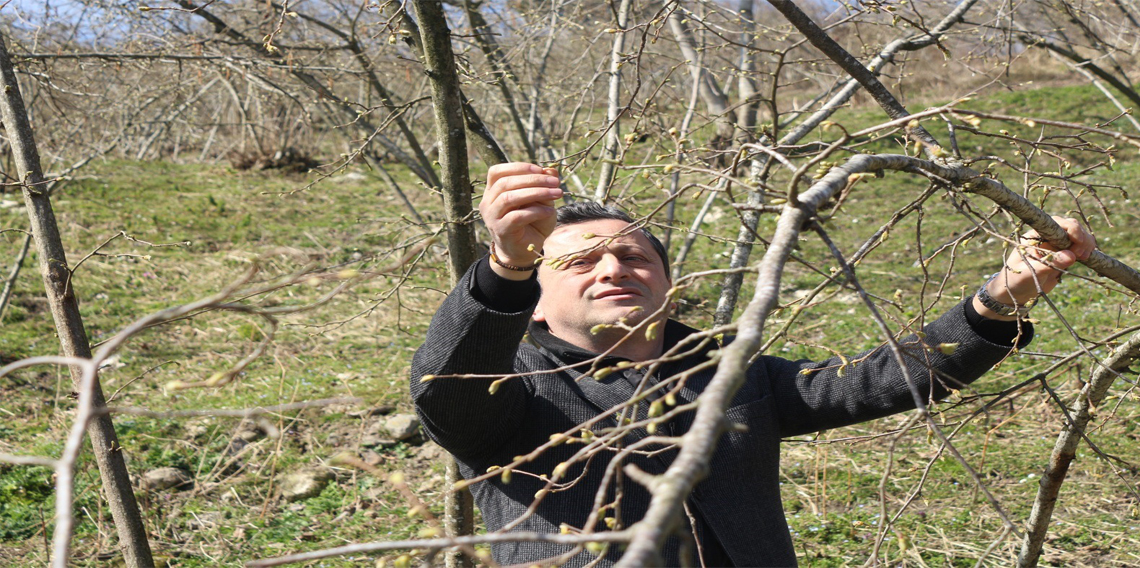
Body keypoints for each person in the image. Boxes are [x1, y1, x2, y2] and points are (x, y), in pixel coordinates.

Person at [409, 162, 1096, 567]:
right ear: (533, 299)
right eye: (579, 260)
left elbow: (880, 380)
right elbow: (447, 389)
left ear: (668, 285)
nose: (614, 266)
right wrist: (504, 268)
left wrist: (1003, 297)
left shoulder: (731, 373)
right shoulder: (506, 393)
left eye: (635, 255)